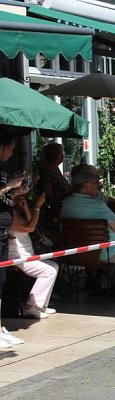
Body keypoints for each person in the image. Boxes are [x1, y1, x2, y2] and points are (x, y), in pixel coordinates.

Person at [60, 165, 115, 301]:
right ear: (86, 185)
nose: (99, 185)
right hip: (105, 251)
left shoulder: (67, 203)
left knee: (111, 261)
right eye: (96, 183)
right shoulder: (98, 206)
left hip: (75, 252)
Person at [9, 187, 58, 319]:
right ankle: (31, 306)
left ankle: (41, 305)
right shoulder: (10, 214)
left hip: (27, 255)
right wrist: (37, 207)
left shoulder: (17, 211)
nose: (23, 197)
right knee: (48, 271)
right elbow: (29, 227)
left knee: (53, 266)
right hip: (17, 257)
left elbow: (32, 224)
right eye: (20, 195)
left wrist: (26, 209)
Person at [0, 130, 26, 348]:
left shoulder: (2, 169)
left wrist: (14, 194)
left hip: (2, 233)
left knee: (1, 281)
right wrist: (10, 186)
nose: (11, 153)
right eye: (10, 148)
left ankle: (0, 328)